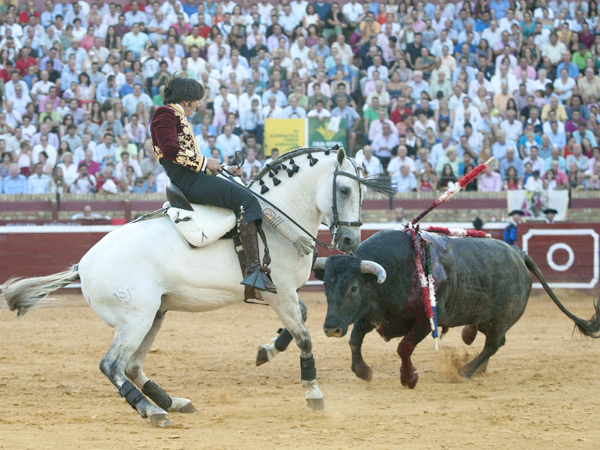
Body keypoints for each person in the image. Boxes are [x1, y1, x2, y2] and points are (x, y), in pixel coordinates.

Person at [150, 75, 275, 293]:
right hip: (187, 180)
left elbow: (185, 157)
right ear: (187, 100)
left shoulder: (175, 116)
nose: (198, 105)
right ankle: (254, 271)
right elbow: (170, 150)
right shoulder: (165, 113)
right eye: (197, 100)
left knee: (240, 189)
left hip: (191, 176)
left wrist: (223, 169)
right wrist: (206, 161)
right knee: (247, 200)